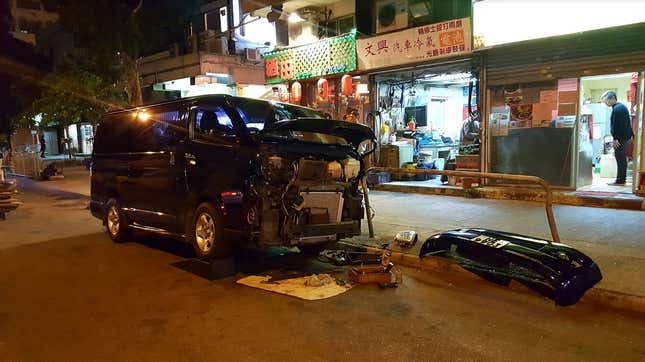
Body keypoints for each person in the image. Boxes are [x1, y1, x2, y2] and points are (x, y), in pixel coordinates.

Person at [602, 90, 634, 185]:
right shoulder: (620, 107)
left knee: (620, 158)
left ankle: (620, 180)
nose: (606, 103)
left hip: (621, 138)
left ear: (612, 99)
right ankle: (621, 179)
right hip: (624, 137)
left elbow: (617, 126)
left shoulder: (617, 109)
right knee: (621, 158)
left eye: (606, 101)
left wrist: (616, 139)